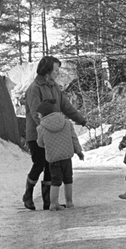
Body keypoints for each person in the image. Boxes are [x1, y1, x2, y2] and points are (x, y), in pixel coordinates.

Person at [22, 55, 87, 210]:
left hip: (54, 133)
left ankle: (48, 201)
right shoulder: (34, 89)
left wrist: (81, 119)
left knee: (52, 165)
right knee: (39, 164)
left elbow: (65, 106)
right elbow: (36, 114)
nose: (57, 73)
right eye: (56, 70)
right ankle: (28, 194)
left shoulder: (54, 87)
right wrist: (47, 131)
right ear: (47, 71)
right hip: (38, 134)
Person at [36, 100, 84, 211]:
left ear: (44, 113)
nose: (38, 116)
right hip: (67, 156)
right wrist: (79, 152)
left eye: (38, 114)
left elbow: (40, 143)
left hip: (53, 158)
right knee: (68, 179)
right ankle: (69, 202)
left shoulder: (40, 128)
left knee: (55, 181)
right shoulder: (67, 123)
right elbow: (74, 138)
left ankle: (54, 204)